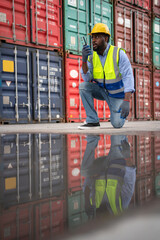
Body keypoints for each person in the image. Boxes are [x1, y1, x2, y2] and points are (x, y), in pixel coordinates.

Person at [78, 23, 135, 129]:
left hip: (116, 95)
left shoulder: (118, 53)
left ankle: (118, 113)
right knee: (83, 86)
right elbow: (87, 78)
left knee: (117, 124)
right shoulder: (91, 56)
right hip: (102, 91)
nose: (93, 40)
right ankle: (92, 121)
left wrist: (127, 100)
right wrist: (84, 61)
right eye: (92, 37)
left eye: (97, 37)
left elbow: (128, 76)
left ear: (106, 38)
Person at [81, 135, 136, 218]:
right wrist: (127, 156)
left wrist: (86, 201)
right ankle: (119, 125)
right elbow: (130, 180)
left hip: (101, 166)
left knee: (84, 172)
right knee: (117, 133)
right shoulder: (120, 207)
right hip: (117, 163)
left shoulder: (94, 205)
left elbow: (87, 185)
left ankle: (92, 138)